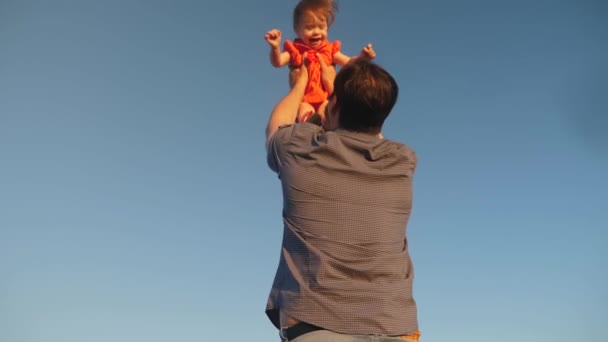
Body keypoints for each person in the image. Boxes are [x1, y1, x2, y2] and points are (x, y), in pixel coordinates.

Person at [265, 59, 421, 341]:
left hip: (316, 322)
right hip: (394, 325)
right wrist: (333, 88)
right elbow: (374, 130)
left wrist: (301, 82)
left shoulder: (297, 149)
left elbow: (276, 127)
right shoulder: (402, 162)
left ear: (334, 105)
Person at [265, 0, 376, 124]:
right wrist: (275, 48)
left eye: (321, 27)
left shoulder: (328, 50)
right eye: (309, 27)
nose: (316, 31)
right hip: (304, 99)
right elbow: (278, 62)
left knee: (326, 110)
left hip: (325, 97)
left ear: (327, 28)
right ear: (297, 30)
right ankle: (311, 124)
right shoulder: (296, 50)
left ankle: (323, 125)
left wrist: (362, 57)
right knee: (304, 110)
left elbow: (349, 62)